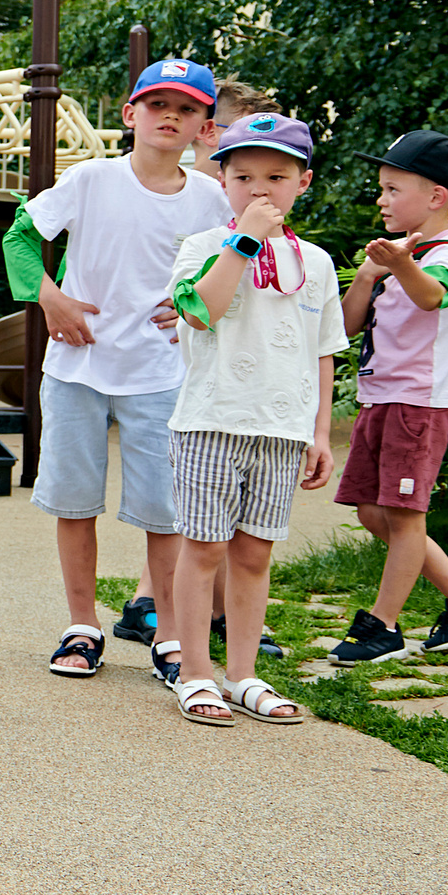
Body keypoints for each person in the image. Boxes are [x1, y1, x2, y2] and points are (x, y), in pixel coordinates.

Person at [5, 60, 228, 682]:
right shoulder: (91, 180)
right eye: (157, 105)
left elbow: (236, 271)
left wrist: (193, 305)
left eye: (186, 109)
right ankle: (82, 626)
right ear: (131, 115)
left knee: (166, 512)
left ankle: (171, 634)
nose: (170, 117)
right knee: (76, 505)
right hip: (78, 367)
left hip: (163, 373)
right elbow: (21, 238)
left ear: (204, 128)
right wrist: (49, 296)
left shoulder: (213, 201)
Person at [161, 114, 341, 725]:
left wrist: (318, 432)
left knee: (255, 553)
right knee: (204, 545)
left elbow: (323, 349)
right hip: (212, 420)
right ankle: (194, 673)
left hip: (282, 429)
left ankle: (242, 674)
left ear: (303, 182)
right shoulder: (202, 248)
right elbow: (200, 314)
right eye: (243, 176)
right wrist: (243, 241)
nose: (260, 189)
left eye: (276, 176)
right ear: (222, 180)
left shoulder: (316, 262)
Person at [331, 130, 448, 664]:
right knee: (370, 511)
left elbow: (431, 297)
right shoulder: (398, 255)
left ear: (435, 197)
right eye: (381, 189)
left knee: (405, 518)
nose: (381, 200)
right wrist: (366, 276)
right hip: (381, 400)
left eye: (392, 189)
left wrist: (398, 263)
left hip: (420, 406)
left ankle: (382, 626)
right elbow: (346, 326)